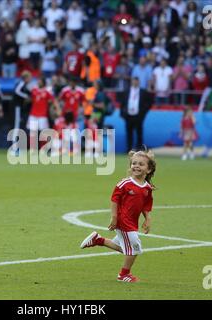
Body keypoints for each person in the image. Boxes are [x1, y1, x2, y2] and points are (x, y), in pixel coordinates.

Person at [80, 150, 156, 283]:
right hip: (123, 221)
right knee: (134, 248)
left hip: (133, 222)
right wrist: (114, 217)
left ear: (148, 170)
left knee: (128, 249)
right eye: (134, 163)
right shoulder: (125, 183)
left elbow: (146, 205)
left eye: (141, 164)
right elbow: (114, 200)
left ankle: (98, 240)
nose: (136, 166)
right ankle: (123, 274)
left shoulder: (147, 188)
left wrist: (148, 219)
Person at [121, 77, 152, 152]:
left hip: (138, 115)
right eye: (134, 81)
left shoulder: (143, 92)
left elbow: (149, 103)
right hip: (128, 115)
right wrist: (123, 113)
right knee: (129, 133)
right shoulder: (127, 91)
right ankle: (129, 149)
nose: (135, 83)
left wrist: (143, 113)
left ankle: (139, 150)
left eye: (136, 81)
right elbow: (123, 103)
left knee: (139, 133)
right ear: (131, 82)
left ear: (139, 82)